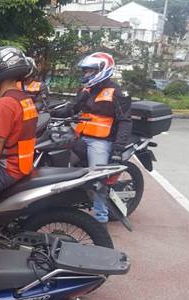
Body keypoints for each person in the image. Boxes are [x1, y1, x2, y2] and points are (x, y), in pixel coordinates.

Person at [52, 52, 132, 223]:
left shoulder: (116, 92)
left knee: (97, 179)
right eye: (85, 71)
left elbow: (125, 122)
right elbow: (72, 109)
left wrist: (118, 149)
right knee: (58, 162)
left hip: (100, 142)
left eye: (89, 71)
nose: (86, 74)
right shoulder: (86, 90)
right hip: (78, 136)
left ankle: (101, 219)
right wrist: (47, 112)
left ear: (102, 70)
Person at [0, 46, 38, 204]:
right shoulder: (24, 99)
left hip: (7, 168)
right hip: (23, 165)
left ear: (2, 70)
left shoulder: (5, 103)